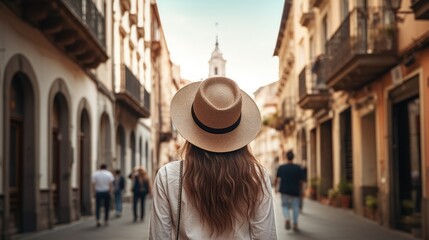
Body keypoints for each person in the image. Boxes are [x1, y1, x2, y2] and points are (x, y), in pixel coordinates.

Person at [149, 77, 277, 239]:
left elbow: (159, 237)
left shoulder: (168, 176)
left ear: (192, 128)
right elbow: (265, 236)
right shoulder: (257, 176)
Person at [274, 150, 304, 231]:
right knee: (295, 207)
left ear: (286, 157)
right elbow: (301, 181)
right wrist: (301, 191)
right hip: (295, 190)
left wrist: (276, 189)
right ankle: (295, 224)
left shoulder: (281, 167)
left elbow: (276, 179)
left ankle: (287, 218)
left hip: (284, 190)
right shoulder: (298, 168)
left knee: (285, 205)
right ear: (293, 157)